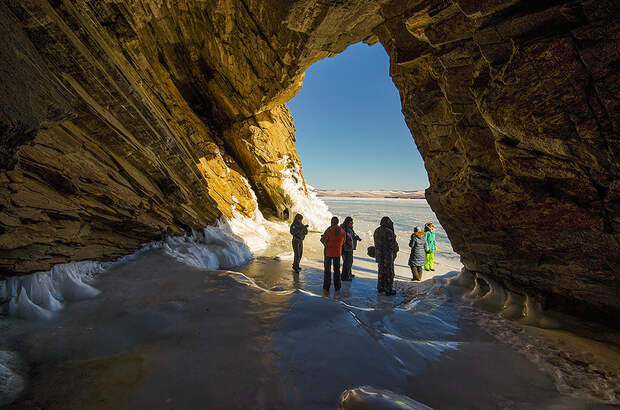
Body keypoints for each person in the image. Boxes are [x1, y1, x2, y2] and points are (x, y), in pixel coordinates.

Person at [373, 216, 399, 295]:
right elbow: (393, 245)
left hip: (379, 255)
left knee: (381, 271)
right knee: (389, 272)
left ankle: (380, 287)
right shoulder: (389, 232)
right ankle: (388, 289)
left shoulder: (377, 230)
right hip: (387, 256)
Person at [321, 216, 346, 292]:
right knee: (337, 271)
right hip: (337, 253)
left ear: (332, 222)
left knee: (327, 271)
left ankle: (326, 287)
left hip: (328, 252)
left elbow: (324, 240)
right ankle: (337, 287)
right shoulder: (342, 231)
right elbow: (344, 241)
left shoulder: (329, 229)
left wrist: (325, 243)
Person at [340, 216, 361, 281]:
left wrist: (356, 237)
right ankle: (345, 277)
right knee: (347, 263)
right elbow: (347, 238)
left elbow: (352, 236)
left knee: (349, 262)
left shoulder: (348, 228)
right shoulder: (345, 229)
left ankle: (348, 274)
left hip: (348, 248)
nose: (352, 224)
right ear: (348, 222)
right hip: (346, 248)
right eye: (351, 223)